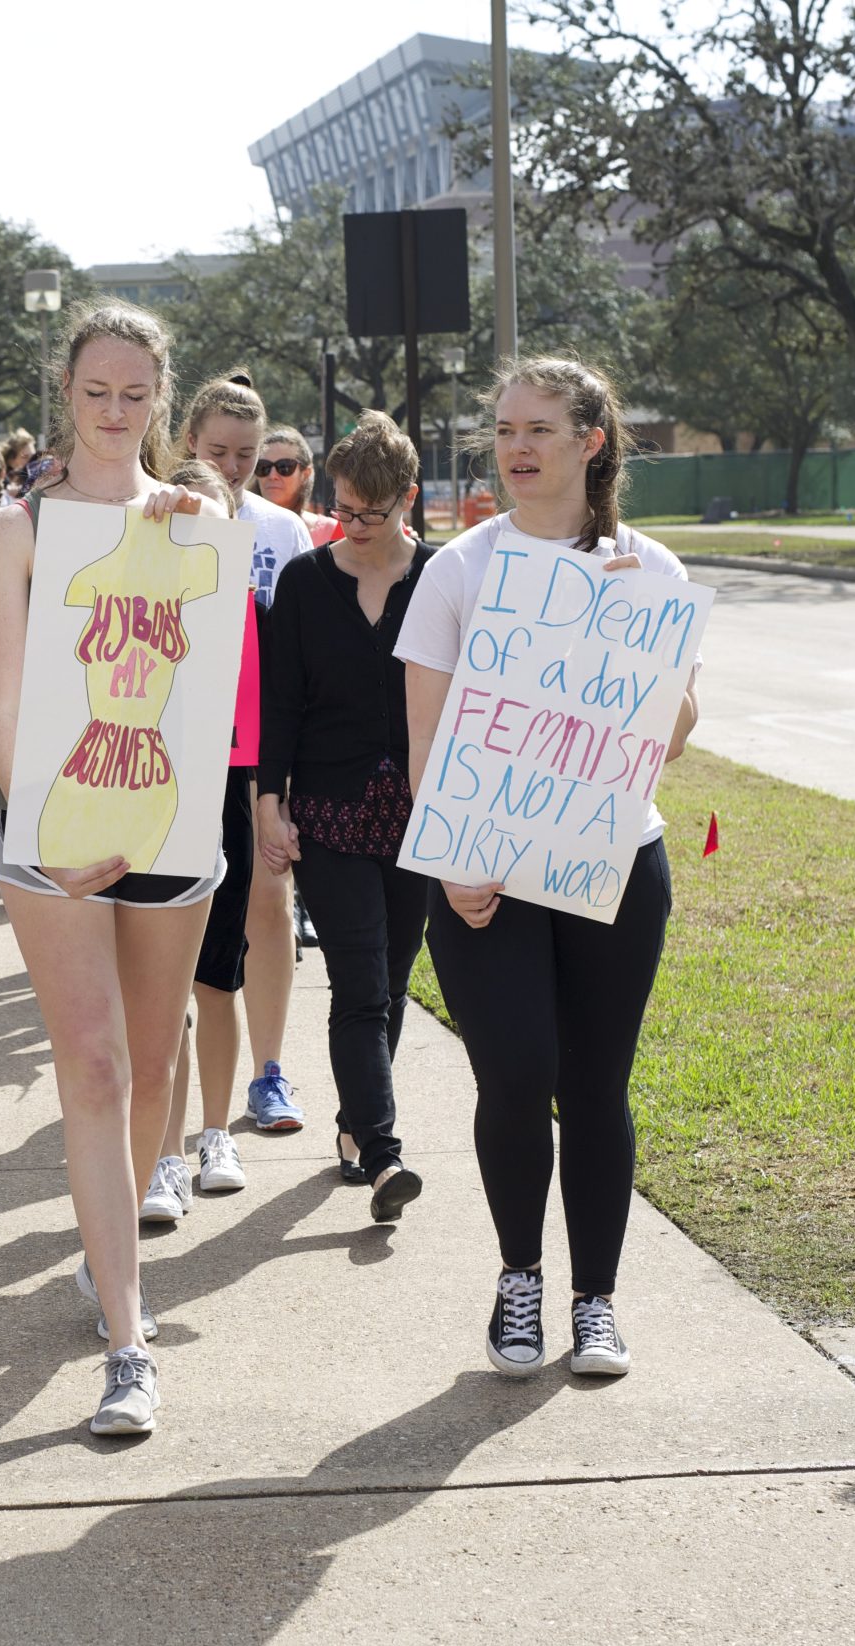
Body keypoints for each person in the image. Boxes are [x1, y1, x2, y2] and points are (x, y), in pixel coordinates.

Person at [396, 354, 701, 1379]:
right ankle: (519, 1276)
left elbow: (674, 731)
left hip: (613, 861)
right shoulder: (459, 568)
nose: (516, 448)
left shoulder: (650, 569)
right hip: (483, 870)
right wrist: (451, 862)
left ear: (591, 441)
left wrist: (627, 631)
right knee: (517, 1074)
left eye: (539, 429)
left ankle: (596, 1300)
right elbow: (426, 739)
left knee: (596, 1081)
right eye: (505, 429)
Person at [0, 298, 224, 1436]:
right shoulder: (20, 532)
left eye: (135, 394)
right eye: (95, 392)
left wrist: (194, 520)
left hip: (171, 825)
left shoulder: (194, 518)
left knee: (153, 1066)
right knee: (94, 1066)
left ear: (158, 400)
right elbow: (6, 694)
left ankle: (108, 1245)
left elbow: (212, 679)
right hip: (56, 830)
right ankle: (129, 1338)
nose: (115, 412)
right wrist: (44, 835)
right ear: (64, 395)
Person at [255, 410, 437, 1222]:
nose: (356, 526)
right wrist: (269, 798)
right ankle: (387, 1151)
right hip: (328, 810)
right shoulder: (304, 581)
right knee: (359, 983)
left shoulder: (440, 578)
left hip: (420, 814)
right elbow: (281, 702)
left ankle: (355, 1123)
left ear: (409, 497)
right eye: (345, 508)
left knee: (394, 982)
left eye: (374, 511)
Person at [168, 374, 317, 1215]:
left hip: (259, 751)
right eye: (218, 450)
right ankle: (169, 1113)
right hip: (179, 752)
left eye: (248, 456)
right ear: (188, 439)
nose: (231, 467)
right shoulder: (163, 511)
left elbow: (291, 648)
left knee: (268, 900)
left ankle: (267, 1071)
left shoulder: (281, 529)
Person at [256, 426, 339, 547]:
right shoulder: (240, 526)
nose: (272, 475)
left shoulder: (333, 531)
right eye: (264, 467)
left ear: (305, 474)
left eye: (284, 467)